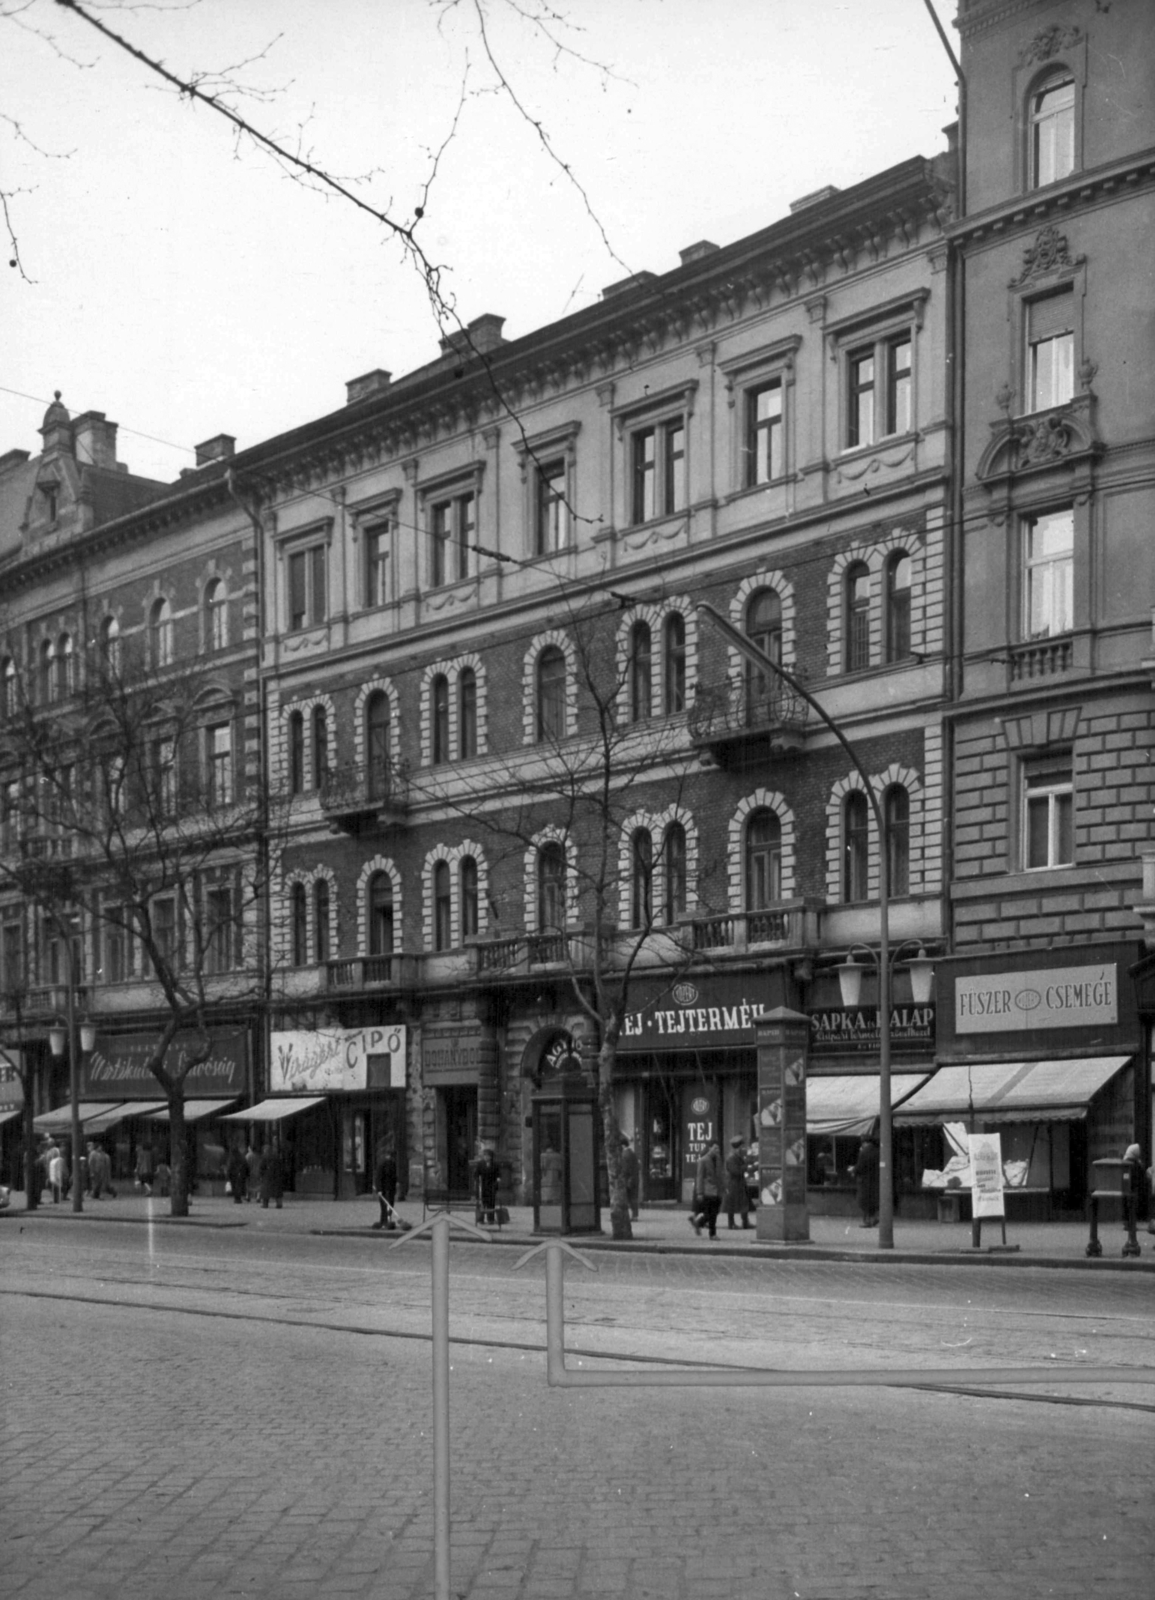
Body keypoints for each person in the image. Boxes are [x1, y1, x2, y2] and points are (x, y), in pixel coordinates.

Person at [690, 1141, 723, 1239]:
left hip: (717, 1191)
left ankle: (698, 1223)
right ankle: (712, 1234)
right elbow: (699, 1178)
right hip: (707, 1191)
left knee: (714, 1213)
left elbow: (721, 1175)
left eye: (718, 1148)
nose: (717, 1150)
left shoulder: (718, 1159)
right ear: (709, 1148)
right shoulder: (703, 1161)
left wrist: (724, 1188)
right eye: (715, 1148)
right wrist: (699, 1193)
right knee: (711, 1213)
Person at [852, 1132, 880, 1228]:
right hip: (875, 1179)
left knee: (864, 1201)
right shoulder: (877, 1151)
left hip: (864, 1180)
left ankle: (867, 1221)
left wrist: (853, 1170)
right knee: (873, 1201)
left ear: (864, 1142)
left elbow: (860, 1167)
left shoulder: (863, 1152)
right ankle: (873, 1218)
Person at [724, 1134, 751, 1230]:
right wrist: (745, 1166)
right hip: (734, 1184)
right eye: (741, 1146)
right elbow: (736, 1171)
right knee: (732, 1205)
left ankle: (745, 1222)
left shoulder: (737, 1156)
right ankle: (731, 1224)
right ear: (737, 1147)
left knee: (743, 1203)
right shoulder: (731, 1158)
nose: (742, 1148)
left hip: (739, 1183)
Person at [372, 1142, 398, 1230]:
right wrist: (379, 1189)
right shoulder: (382, 1164)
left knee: (390, 1206)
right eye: (390, 1156)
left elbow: (394, 1177)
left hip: (390, 1189)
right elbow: (378, 1178)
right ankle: (383, 1221)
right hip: (383, 1189)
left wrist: (395, 1187)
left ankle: (388, 1220)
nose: (390, 1158)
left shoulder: (393, 1164)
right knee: (384, 1207)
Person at [474, 1145, 500, 1225]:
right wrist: (477, 1180)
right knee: (482, 1203)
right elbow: (476, 1174)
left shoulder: (495, 1164)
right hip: (483, 1185)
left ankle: (490, 1219)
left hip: (492, 1185)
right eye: (485, 1155)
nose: (486, 1157)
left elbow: (498, 1174)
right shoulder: (480, 1164)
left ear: (491, 1157)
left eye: (488, 1156)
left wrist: (498, 1180)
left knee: (491, 1203)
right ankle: (481, 1219)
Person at [620, 1135, 640, 1221]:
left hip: (628, 1179)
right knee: (633, 1197)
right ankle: (634, 1215)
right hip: (634, 1178)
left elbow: (625, 1169)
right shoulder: (632, 1153)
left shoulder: (624, 1155)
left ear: (622, 1145)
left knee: (629, 1198)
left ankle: (631, 1216)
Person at [259, 1141, 283, 1209]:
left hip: (267, 1176)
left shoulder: (264, 1157)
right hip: (276, 1176)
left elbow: (261, 1168)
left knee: (266, 1192)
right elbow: (280, 1166)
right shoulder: (276, 1157)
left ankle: (265, 1204)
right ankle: (279, 1204)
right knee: (277, 1192)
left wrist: (261, 1175)